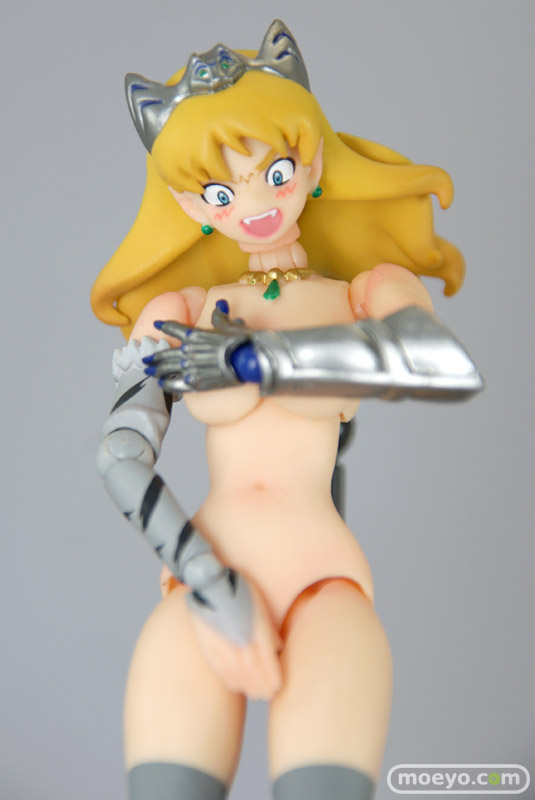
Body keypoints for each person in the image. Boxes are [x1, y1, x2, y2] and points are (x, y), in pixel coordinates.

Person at [92, 20, 480, 800]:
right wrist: (208, 581)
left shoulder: (363, 292)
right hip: (200, 582)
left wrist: (253, 362)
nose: (256, 204)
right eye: (220, 191)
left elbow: (442, 365)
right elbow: (119, 455)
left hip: (323, 584)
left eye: (274, 172)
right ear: (190, 204)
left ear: (311, 164)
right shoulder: (183, 310)